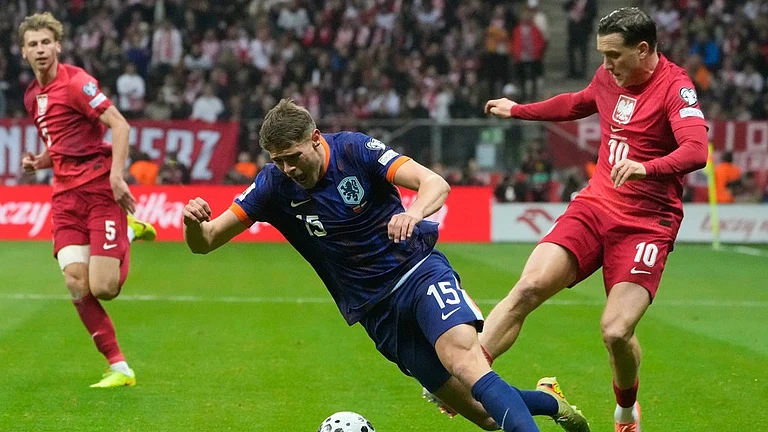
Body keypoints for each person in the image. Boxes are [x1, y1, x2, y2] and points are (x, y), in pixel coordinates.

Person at [183, 99, 591, 432]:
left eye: (293, 156)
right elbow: (207, 242)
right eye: (278, 160)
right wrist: (191, 224)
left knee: (465, 360)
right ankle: (549, 401)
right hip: (375, 311)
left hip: (417, 272)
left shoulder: (356, 150)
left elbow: (436, 183)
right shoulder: (273, 184)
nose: (289, 168)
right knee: (484, 416)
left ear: (316, 139)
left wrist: (413, 214)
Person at [482, 8, 708, 432]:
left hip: (647, 223)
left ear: (643, 50)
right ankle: (469, 373)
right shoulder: (609, 78)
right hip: (595, 206)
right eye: (602, 55)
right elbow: (576, 103)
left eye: (614, 55)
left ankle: (625, 411)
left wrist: (648, 167)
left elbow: (696, 150)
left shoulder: (675, 88)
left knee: (616, 332)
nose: (606, 66)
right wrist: (519, 110)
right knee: (529, 285)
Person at [19, 12, 157, 388]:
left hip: (98, 190)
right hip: (64, 197)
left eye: (46, 42)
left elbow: (120, 124)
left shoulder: (78, 83)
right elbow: (61, 144)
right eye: (33, 44)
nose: (41, 49)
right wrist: (40, 161)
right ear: (24, 52)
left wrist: (116, 176)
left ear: (58, 46)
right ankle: (119, 366)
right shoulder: (33, 96)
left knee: (104, 288)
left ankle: (126, 232)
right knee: (75, 282)